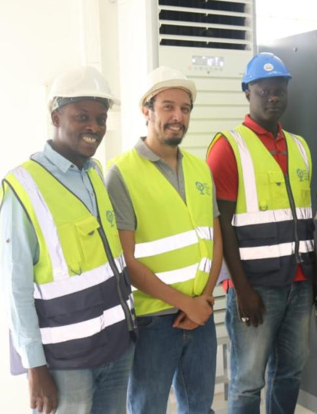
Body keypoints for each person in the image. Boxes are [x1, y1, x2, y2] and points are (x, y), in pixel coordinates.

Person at [0, 66, 135, 414]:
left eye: (101, 119)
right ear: (56, 116)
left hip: (116, 345)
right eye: (82, 117)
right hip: (66, 361)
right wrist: (35, 367)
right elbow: (15, 289)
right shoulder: (22, 187)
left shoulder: (94, 173)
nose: (94, 127)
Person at [106, 66, 222, 414]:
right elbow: (126, 262)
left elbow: (214, 241)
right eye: (168, 106)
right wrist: (185, 304)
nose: (178, 116)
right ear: (147, 110)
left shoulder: (200, 168)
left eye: (185, 109)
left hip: (200, 312)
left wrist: (202, 300)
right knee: (147, 408)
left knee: (199, 407)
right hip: (153, 320)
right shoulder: (121, 173)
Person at [206, 52, 317, 414]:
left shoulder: (299, 146)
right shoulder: (228, 147)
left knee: (291, 372)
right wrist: (242, 290)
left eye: (279, 90)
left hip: (299, 283)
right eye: (264, 90)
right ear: (247, 93)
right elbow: (221, 226)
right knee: (248, 380)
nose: (272, 97)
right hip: (255, 286)